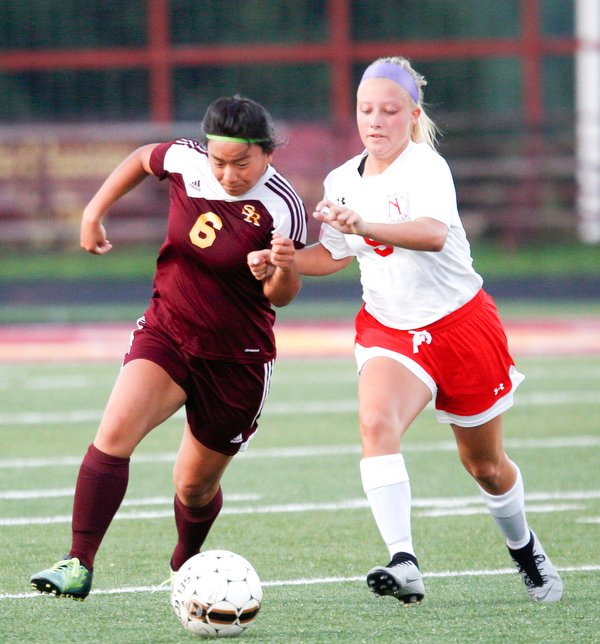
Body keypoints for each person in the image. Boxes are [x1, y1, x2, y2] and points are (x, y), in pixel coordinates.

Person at [249, 57, 562, 605]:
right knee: (375, 422)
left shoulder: (426, 168)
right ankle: (404, 559)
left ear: (411, 115)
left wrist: (364, 224)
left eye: (389, 111)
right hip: (389, 328)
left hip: (462, 327)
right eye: (365, 110)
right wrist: (287, 259)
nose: (375, 120)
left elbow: (431, 235)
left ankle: (525, 548)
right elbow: (335, 253)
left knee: (484, 466)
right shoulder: (342, 180)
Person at [31, 95, 306, 600]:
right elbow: (141, 158)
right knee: (112, 437)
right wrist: (93, 211)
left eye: (241, 163)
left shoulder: (281, 206)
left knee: (193, 488)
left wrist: (279, 269)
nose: (227, 174)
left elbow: (281, 298)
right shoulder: (185, 160)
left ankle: (184, 566)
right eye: (219, 161)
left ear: (267, 154)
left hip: (236, 359)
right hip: (168, 332)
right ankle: (78, 562)